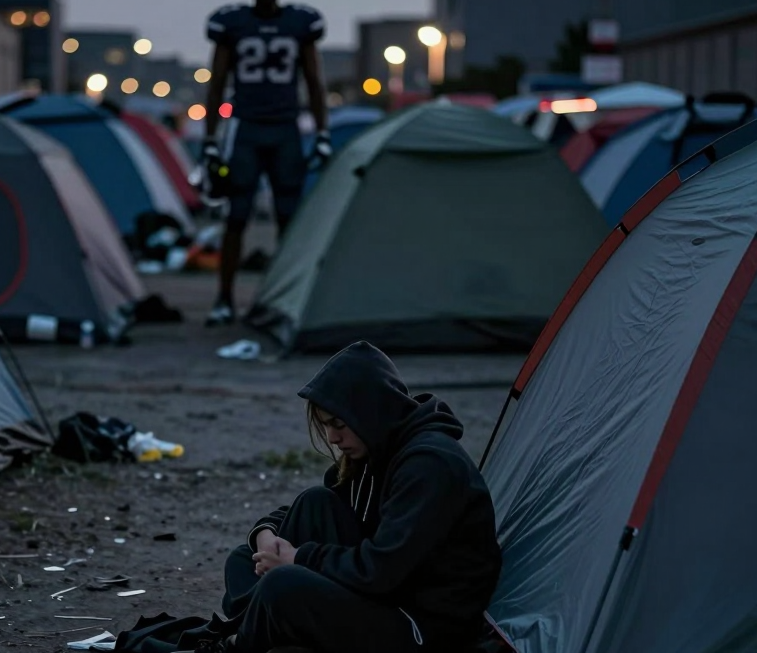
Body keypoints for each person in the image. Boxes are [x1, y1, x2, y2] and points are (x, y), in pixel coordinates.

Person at [179, 341, 503, 653]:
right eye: (327, 426)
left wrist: (297, 558)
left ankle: (244, 640)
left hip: (422, 628)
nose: (333, 438)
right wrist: (267, 537)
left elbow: (381, 569)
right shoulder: (375, 450)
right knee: (291, 521)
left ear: (370, 411)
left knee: (282, 586)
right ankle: (269, 623)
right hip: (384, 594)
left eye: (338, 424)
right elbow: (301, 516)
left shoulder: (430, 466)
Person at [200, 0, 332, 327]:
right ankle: (225, 298)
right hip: (247, 128)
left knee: (288, 218)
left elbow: (314, 80)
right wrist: (210, 139)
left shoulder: (299, 24)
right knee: (236, 215)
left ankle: (285, 297)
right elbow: (216, 81)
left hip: (284, 127)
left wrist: (322, 131)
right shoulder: (233, 24)